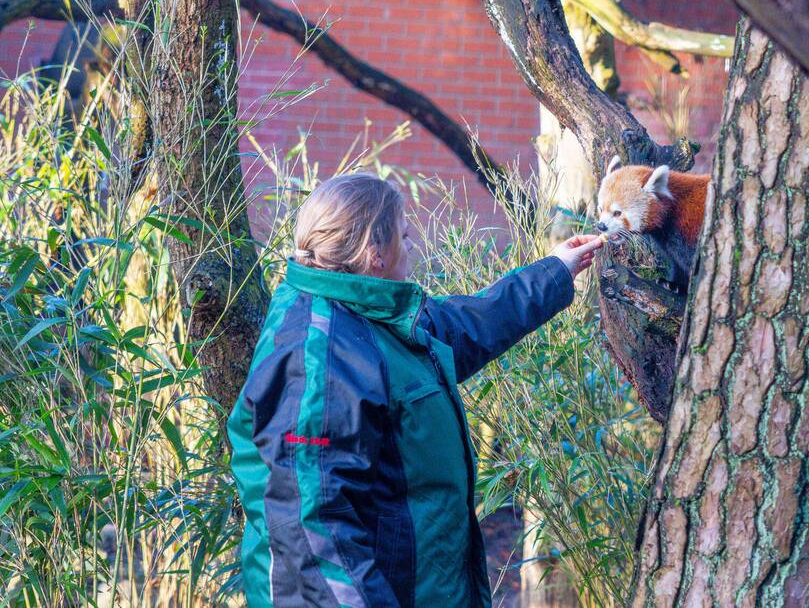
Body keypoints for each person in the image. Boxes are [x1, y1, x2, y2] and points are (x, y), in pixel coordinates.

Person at [227, 172, 603, 607]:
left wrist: (555, 271)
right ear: (375, 255)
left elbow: (465, 326)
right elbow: (312, 534)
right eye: (403, 237)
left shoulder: (367, 313)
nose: (411, 247)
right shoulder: (317, 362)